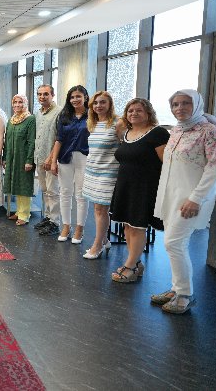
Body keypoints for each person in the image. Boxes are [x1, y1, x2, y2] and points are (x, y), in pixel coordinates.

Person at [150, 90, 216, 314]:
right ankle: (177, 288)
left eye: (186, 103)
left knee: (173, 243)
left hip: (191, 199)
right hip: (171, 196)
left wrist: (196, 198)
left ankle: (185, 295)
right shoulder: (177, 130)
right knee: (175, 244)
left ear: (197, 105)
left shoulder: (211, 131)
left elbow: (215, 169)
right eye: (175, 104)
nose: (180, 108)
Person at [108, 99, 169, 279]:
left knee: (137, 227)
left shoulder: (158, 133)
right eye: (130, 110)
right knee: (127, 226)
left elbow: (167, 164)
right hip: (125, 185)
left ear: (148, 113)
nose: (134, 113)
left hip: (144, 188)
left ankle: (131, 266)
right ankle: (135, 262)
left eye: (139, 110)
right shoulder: (128, 132)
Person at [82, 92, 124, 259]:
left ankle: (97, 245)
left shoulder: (118, 123)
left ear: (109, 104)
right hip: (92, 170)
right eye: (95, 103)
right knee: (97, 209)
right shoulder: (93, 123)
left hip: (109, 172)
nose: (98, 106)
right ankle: (104, 239)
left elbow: (125, 146)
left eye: (102, 102)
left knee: (101, 209)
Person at [51, 85, 90, 243]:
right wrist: (53, 161)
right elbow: (59, 139)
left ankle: (80, 228)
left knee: (81, 194)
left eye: (78, 96)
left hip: (84, 158)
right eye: (72, 97)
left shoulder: (92, 116)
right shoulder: (65, 116)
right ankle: (66, 226)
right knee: (65, 192)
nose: (75, 100)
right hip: (65, 157)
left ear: (85, 97)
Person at [33, 85, 62, 236]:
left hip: (51, 160)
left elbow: (59, 138)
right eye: (39, 94)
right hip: (39, 157)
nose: (42, 97)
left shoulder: (59, 112)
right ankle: (48, 217)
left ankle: (55, 222)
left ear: (52, 95)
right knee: (44, 190)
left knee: (53, 191)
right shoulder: (38, 113)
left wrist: (51, 158)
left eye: (45, 94)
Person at [3, 94, 36, 225]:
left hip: (23, 157)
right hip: (12, 157)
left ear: (25, 103)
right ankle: (18, 211)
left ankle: (25, 214)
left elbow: (31, 141)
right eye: (15, 102)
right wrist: (5, 158)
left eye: (20, 102)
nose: (17, 105)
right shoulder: (11, 120)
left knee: (24, 185)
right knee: (15, 184)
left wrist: (29, 160)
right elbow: (6, 141)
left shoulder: (30, 119)